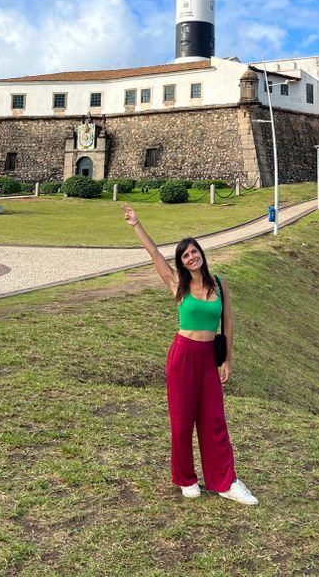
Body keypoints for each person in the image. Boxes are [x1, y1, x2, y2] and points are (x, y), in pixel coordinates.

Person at [123, 203, 258, 505]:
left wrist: (226, 359)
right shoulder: (177, 284)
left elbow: (228, 323)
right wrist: (136, 224)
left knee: (214, 420)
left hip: (208, 357)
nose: (191, 257)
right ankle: (185, 477)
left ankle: (225, 481)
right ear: (181, 263)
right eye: (185, 255)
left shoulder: (220, 284)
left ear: (201, 254)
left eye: (194, 252)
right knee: (182, 421)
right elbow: (155, 255)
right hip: (183, 356)